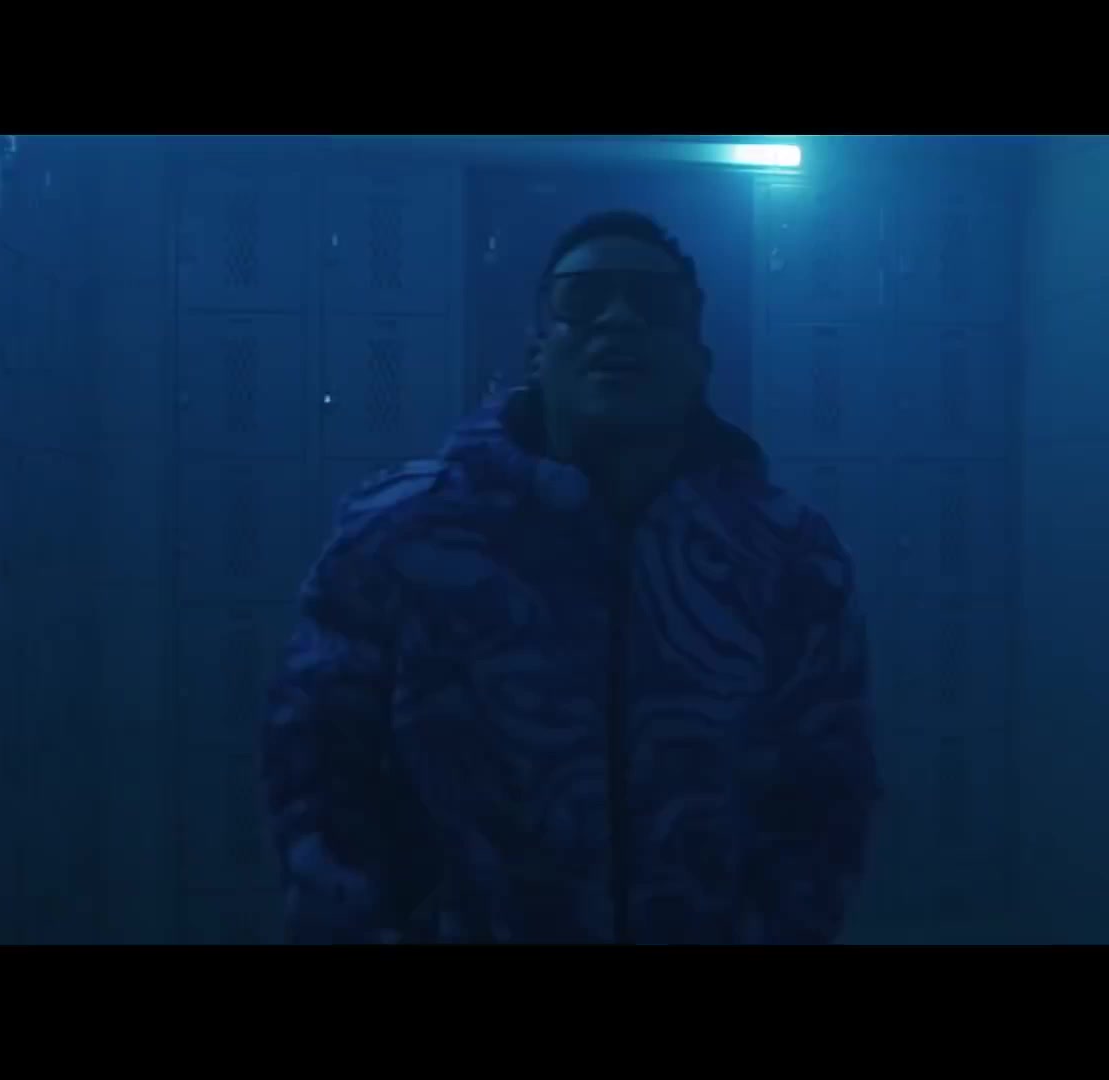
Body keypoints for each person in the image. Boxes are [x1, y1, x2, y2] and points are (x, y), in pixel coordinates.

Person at [261, 210, 881, 944]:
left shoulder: (786, 557)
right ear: (537, 352)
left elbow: (826, 792)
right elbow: (319, 772)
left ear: (698, 360)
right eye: (582, 300)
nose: (618, 319)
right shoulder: (402, 536)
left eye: (654, 303)